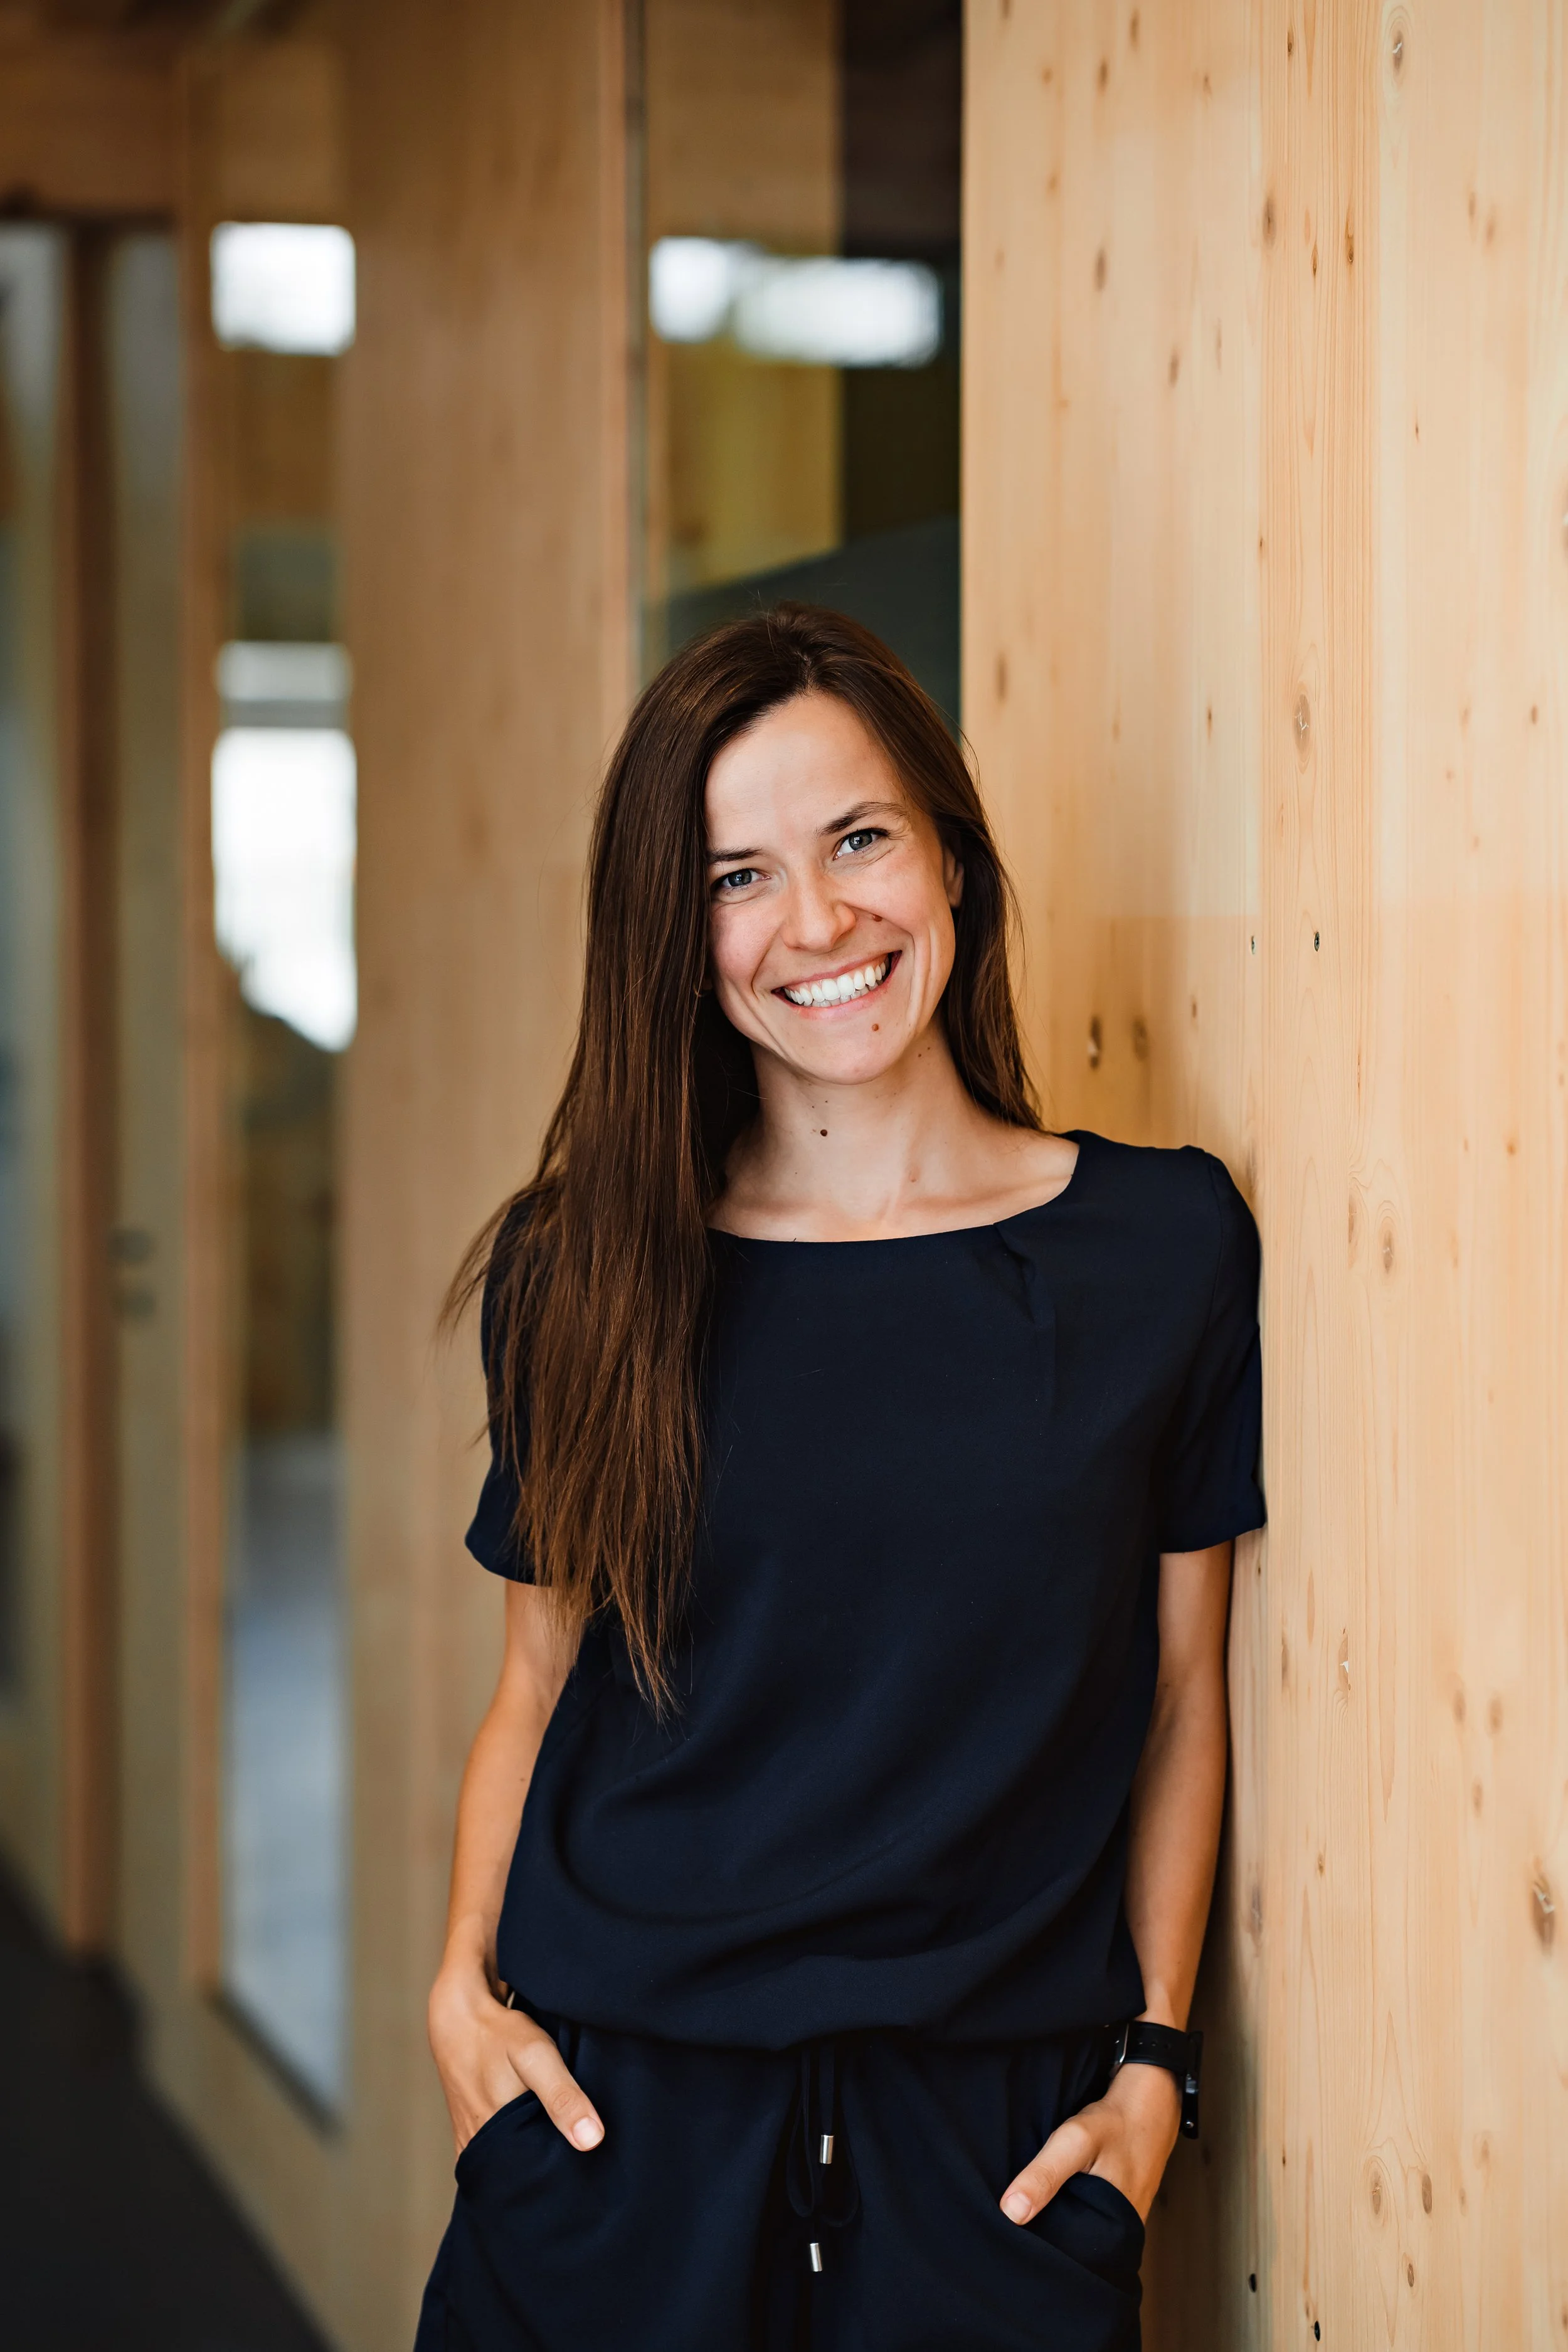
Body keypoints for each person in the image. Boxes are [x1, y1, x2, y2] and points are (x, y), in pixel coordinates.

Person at [413, 607, 1263, 2352]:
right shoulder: (586, 1268)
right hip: (608, 2145)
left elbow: (1182, 1695)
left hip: (995, 2173)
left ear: (948, 849)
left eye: (857, 838)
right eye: (737, 875)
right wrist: (458, 1996)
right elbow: (538, 1683)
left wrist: (1155, 2063)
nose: (816, 922)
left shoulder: (1156, 1251)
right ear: (675, 929)